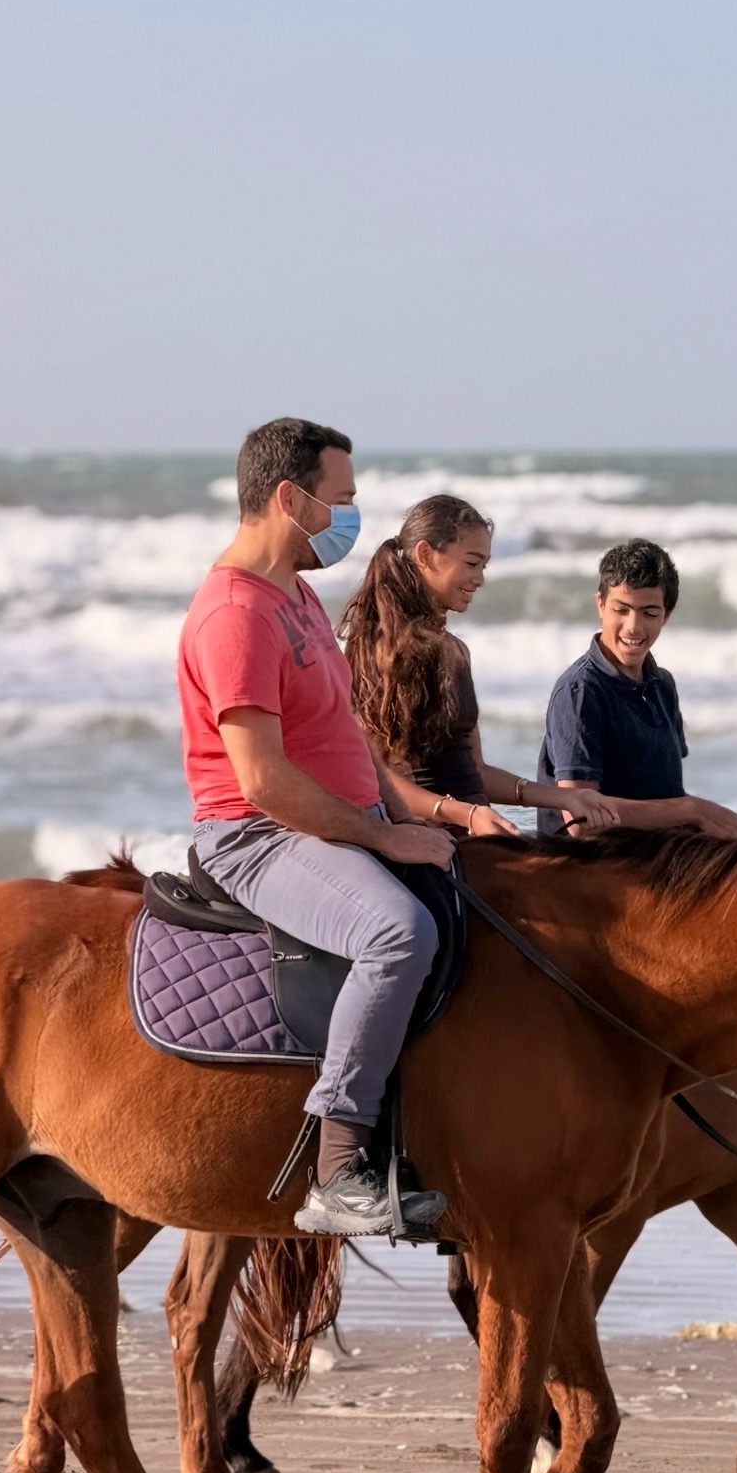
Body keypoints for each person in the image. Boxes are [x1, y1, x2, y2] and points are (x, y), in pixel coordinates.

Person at [177, 415, 454, 1238]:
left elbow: (344, 737)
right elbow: (261, 781)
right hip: (256, 838)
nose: (351, 519)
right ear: (290, 498)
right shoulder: (236, 614)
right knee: (397, 934)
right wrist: (383, 839)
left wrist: (412, 813)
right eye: (342, 500)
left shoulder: (293, 594)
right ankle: (338, 1167)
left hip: (341, 822)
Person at [339, 493, 619, 836]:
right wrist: (466, 815)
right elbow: (380, 780)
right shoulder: (379, 650)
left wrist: (566, 799)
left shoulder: (455, 652)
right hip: (429, 838)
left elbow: (477, 772)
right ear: (426, 555)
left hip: (477, 832)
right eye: (471, 563)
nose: (480, 579)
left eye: (483, 566)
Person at [536, 538, 737, 838]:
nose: (634, 626)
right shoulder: (580, 691)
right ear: (600, 604)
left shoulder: (662, 684)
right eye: (621, 610)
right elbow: (580, 820)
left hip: (659, 856)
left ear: (667, 614)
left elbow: (665, 794)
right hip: (590, 868)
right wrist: (694, 811)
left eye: (649, 613)